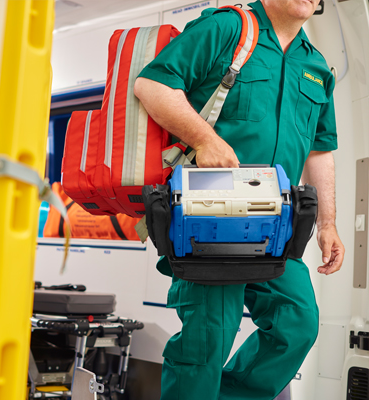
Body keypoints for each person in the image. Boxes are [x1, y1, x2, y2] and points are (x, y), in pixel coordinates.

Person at [133, 0, 345, 399]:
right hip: (210, 219)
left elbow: (320, 148)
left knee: (296, 324)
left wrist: (328, 223)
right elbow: (152, 85)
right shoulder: (229, 29)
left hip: (276, 223)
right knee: (206, 342)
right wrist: (205, 139)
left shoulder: (316, 66)